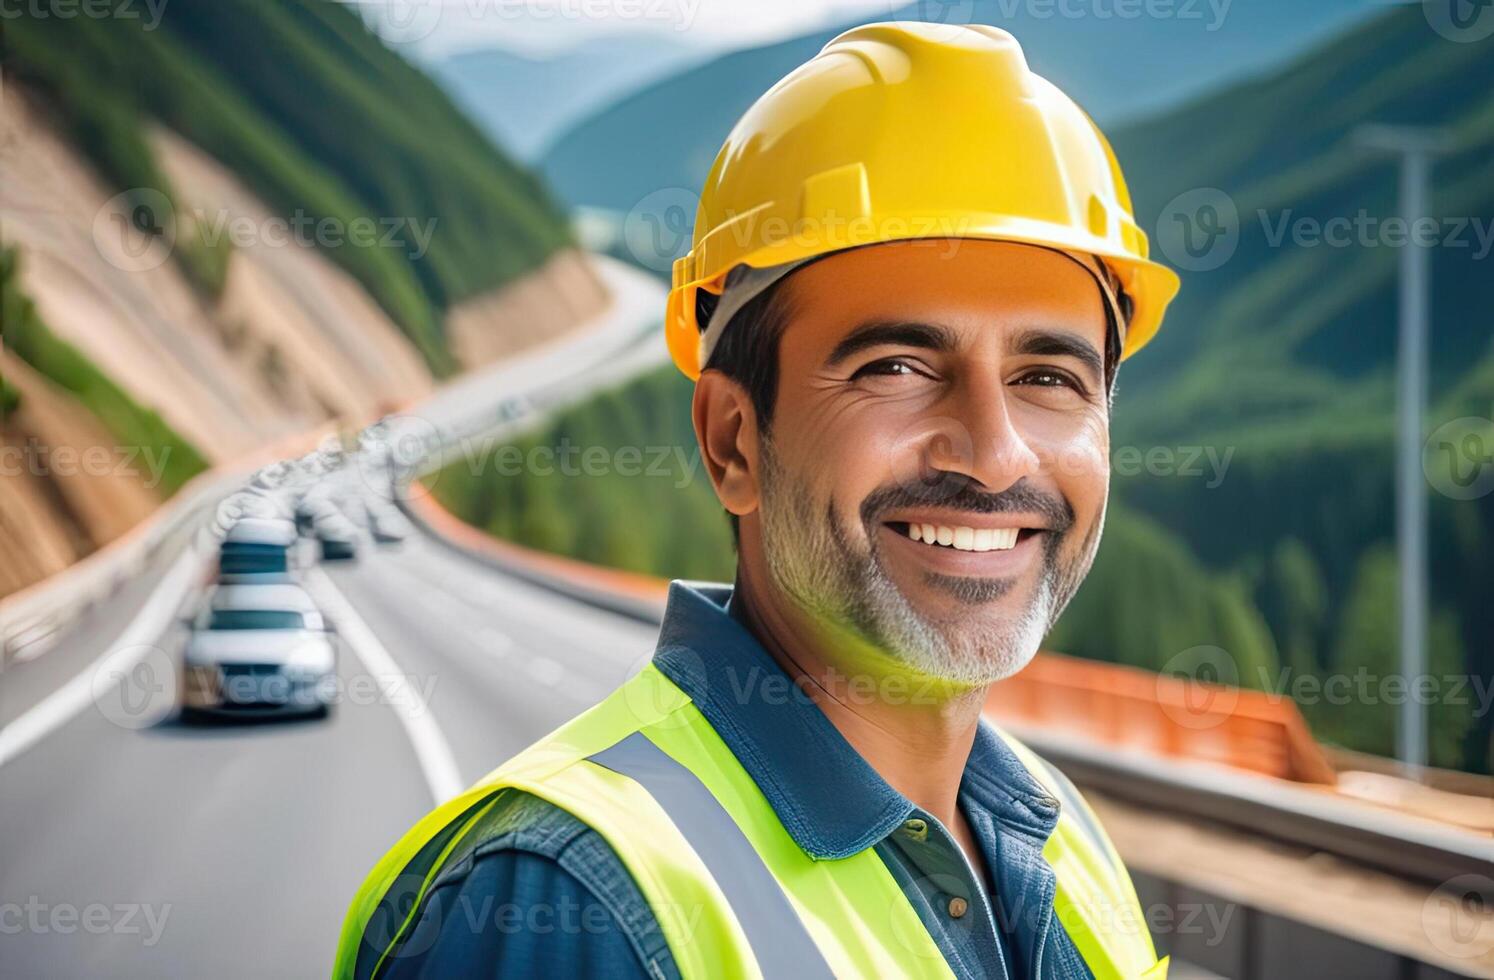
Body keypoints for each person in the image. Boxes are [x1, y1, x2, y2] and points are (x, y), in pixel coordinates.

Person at [337, 20, 1179, 980]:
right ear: (733, 442)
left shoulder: (1065, 840)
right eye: (896, 366)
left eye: (1049, 378)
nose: (992, 456)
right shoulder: (572, 904)